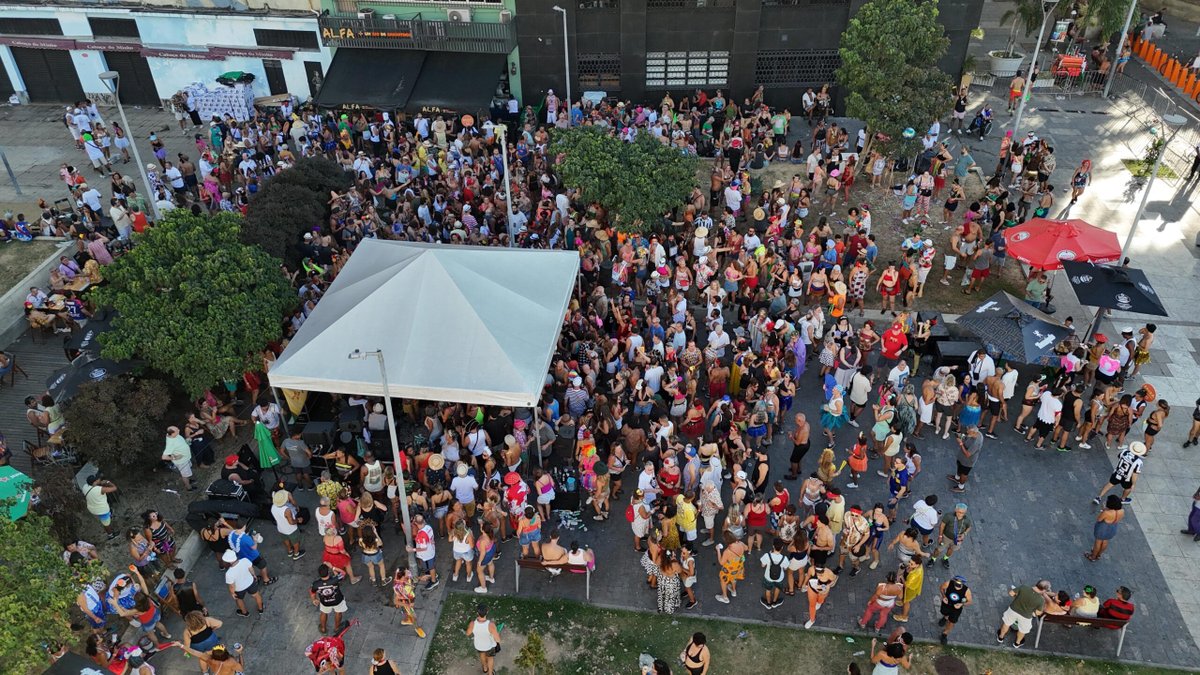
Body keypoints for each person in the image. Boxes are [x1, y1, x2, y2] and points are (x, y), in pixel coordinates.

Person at [997, 580, 1051, 648]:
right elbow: (1038, 613)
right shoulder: (1041, 600)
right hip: (1026, 616)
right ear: (1044, 590)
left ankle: (1000, 637)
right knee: (1022, 630)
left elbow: (1011, 593)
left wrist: (1017, 598)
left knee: (1006, 623)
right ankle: (1017, 643)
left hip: (1013, 610)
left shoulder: (1024, 587)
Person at [1094, 441, 1147, 505]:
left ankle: (1099, 497)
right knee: (1128, 488)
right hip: (1127, 478)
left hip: (1118, 472)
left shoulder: (1124, 452)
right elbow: (1135, 474)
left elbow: (1119, 457)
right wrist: (1133, 484)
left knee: (1110, 484)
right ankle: (1123, 499)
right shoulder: (1138, 462)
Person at [222, 549, 263, 616]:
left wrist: (232, 593)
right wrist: (254, 575)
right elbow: (251, 569)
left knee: (239, 599)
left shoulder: (229, 573)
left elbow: (232, 586)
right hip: (250, 582)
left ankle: (244, 612)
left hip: (239, 588)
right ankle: (260, 609)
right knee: (256, 595)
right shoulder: (245, 560)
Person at [929, 503, 971, 568]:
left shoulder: (967, 520)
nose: (960, 514)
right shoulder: (948, 516)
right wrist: (940, 536)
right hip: (946, 537)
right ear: (955, 510)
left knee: (951, 549)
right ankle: (933, 559)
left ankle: (945, 558)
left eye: (963, 513)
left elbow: (969, 527)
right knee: (938, 549)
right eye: (959, 512)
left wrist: (964, 534)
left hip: (957, 539)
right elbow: (942, 526)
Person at [311, 564, 349, 635]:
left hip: (325, 602)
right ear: (328, 572)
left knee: (324, 613)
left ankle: (323, 628)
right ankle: (337, 628)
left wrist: (314, 599)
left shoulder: (316, 584)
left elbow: (312, 592)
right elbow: (343, 573)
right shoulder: (335, 579)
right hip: (338, 600)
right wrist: (333, 567)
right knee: (338, 612)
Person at [1086, 495, 1125, 561]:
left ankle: (1093, 557)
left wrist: (1103, 510)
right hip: (1113, 528)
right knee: (1105, 541)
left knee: (1098, 542)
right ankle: (1098, 555)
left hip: (1102, 529)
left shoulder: (1106, 513)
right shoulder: (1122, 511)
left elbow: (1099, 519)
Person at [467, 603, 502, 675]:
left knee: (482, 655)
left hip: (479, 645)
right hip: (489, 646)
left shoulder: (472, 623)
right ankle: (490, 673)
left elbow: (468, 633)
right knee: (490, 658)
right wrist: (496, 633)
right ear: (487, 612)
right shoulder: (491, 625)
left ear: (477, 612)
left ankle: (485, 668)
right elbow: (498, 640)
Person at [938, 575, 972, 644]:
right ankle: (945, 617)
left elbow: (970, 601)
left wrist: (961, 604)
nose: (957, 586)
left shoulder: (966, 590)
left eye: (959, 585)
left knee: (952, 622)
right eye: (956, 584)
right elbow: (941, 588)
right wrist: (944, 596)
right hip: (947, 604)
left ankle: (945, 634)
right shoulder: (948, 583)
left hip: (956, 609)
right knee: (944, 612)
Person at [84, 474, 119, 540]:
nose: (99, 480)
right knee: (106, 523)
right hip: (101, 510)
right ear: (94, 482)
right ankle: (110, 535)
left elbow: (95, 488)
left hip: (92, 508)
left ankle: (109, 516)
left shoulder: (85, 487)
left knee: (107, 516)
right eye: (97, 480)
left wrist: (99, 484)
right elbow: (114, 488)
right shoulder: (100, 489)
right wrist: (108, 482)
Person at [161, 426, 196, 491]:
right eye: (177, 430)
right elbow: (164, 457)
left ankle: (188, 480)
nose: (179, 430)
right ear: (172, 433)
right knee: (184, 475)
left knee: (186, 473)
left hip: (186, 458)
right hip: (182, 462)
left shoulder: (174, 435)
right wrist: (174, 457)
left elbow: (180, 443)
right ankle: (189, 487)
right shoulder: (170, 444)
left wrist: (186, 441)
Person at [760, 537, 787, 610]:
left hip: (768, 577)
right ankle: (774, 602)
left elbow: (762, 565)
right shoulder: (784, 558)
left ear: (773, 546)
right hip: (779, 577)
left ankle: (768, 604)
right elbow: (785, 568)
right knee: (777, 588)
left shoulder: (767, 555)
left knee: (768, 590)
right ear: (782, 547)